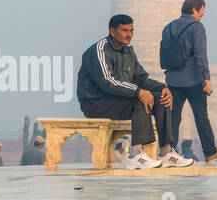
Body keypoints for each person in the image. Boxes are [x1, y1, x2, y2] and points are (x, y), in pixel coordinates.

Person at [76, 14, 193, 168]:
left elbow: (141, 79)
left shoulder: (128, 52)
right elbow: (108, 82)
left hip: (119, 100)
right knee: (140, 100)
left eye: (131, 31)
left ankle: (166, 152)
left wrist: (163, 88)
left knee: (160, 98)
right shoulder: (99, 50)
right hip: (96, 102)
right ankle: (135, 155)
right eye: (124, 30)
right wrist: (138, 92)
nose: (129, 34)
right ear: (112, 31)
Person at [162, 0, 217, 164]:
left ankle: (168, 152)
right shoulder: (196, 27)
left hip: (172, 78)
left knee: (173, 117)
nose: (201, 15)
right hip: (193, 80)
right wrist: (206, 78)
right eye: (201, 12)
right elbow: (200, 54)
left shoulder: (168, 27)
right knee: (201, 117)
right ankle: (210, 151)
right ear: (194, 10)